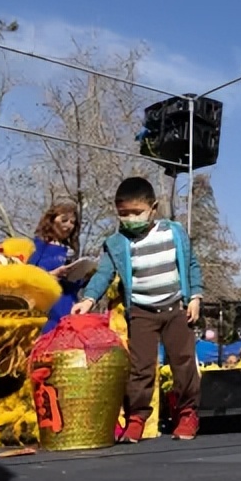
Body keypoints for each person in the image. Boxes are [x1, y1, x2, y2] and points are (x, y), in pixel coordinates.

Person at [71, 177, 203, 443]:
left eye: (136, 212)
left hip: (176, 308)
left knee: (183, 363)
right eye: (124, 214)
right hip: (142, 312)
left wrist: (195, 297)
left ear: (153, 208)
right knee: (140, 368)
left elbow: (191, 266)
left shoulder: (174, 232)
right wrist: (88, 299)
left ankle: (187, 413)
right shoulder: (117, 243)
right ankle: (136, 418)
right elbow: (104, 273)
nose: (130, 219)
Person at [29, 201, 84, 333]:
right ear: (51, 220)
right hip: (45, 311)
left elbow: (72, 286)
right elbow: (28, 275)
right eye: (64, 220)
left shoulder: (70, 251)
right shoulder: (38, 245)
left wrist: (85, 275)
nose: (68, 225)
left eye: (72, 222)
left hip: (67, 309)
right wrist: (51, 275)